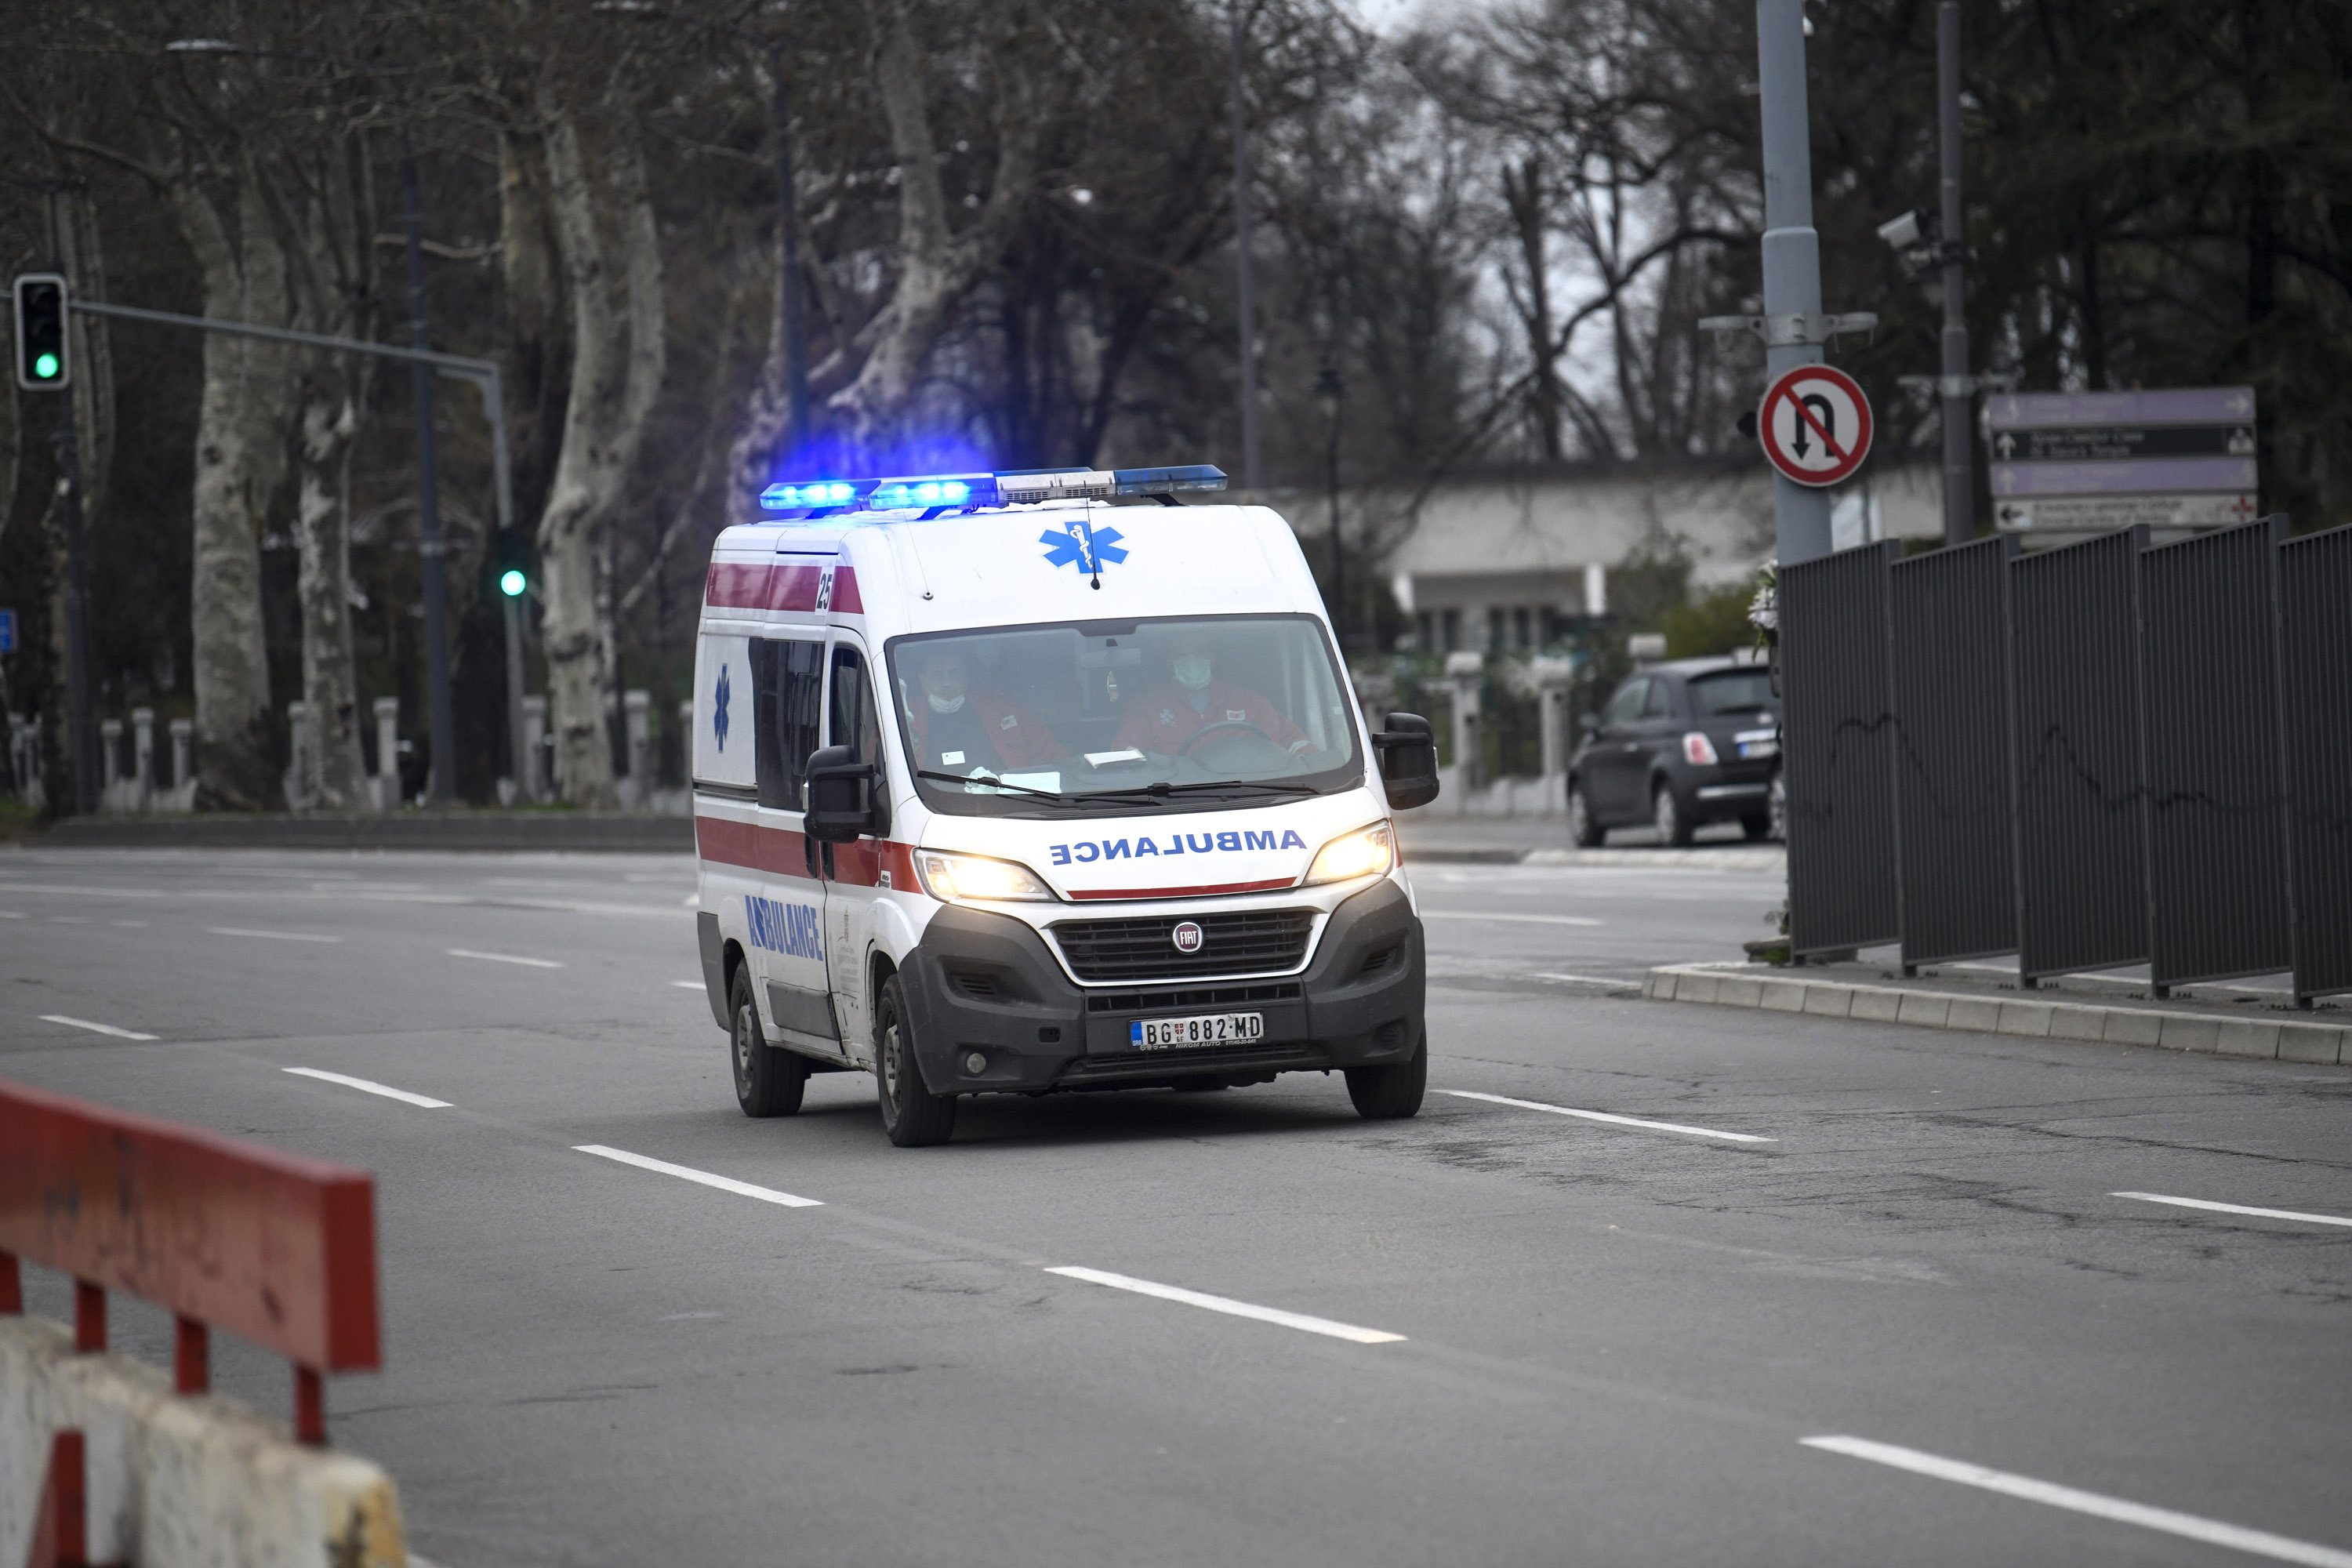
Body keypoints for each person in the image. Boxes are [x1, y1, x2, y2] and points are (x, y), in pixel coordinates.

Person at [1114, 632, 1312, 757]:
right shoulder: (1146, 707)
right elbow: (1125, 755)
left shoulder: (1248, 701)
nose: (1192, 660)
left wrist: (1306, 758)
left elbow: (1294, 742)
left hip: (1247, 798)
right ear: (1169, 664)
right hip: (1173, 802)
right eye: (1182, 655)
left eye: (1200, 652)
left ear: (1212, 659)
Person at [903, 645, 1060, 772]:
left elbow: (1047, 751)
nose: (947, 682)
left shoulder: (1000, 706)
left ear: (965, 677)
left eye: (954, 673)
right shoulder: (905, 715)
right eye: (938, 675)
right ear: (922, 679)